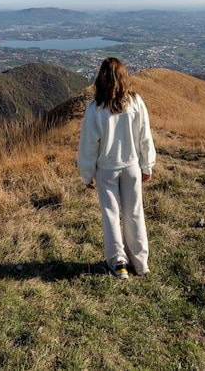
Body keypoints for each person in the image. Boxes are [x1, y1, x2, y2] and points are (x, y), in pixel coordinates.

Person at [78, 57, 156, 279]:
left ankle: (118, 262)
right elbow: (145, 137)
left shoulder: (95, 109)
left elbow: (88, 146)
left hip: (106, 170)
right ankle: (140, 262)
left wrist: (86, 173)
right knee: (134, 212)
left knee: (111, 214)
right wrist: (146, 165)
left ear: (101, 79)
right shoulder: (136, 102)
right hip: (132, 167)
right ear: (124, 77)